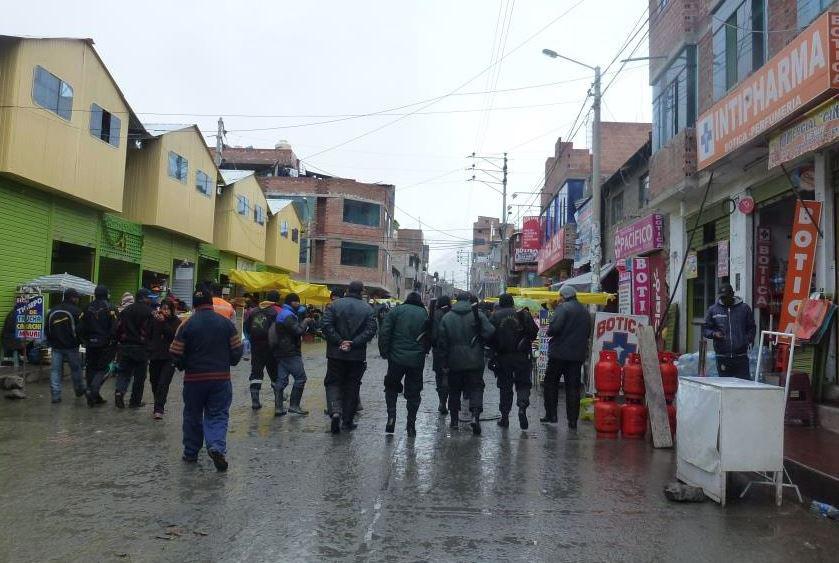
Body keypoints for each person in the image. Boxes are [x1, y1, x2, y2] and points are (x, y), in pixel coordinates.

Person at [169, 286, 243, 471]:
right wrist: (229, 361)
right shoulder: (226, 324)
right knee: (217, 414)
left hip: (194, 380)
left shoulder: (186, 324)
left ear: (194, 305)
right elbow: (237, 351)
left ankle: (191, 452)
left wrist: (183, 364)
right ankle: (216, 447)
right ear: (211, 303)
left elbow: (174, 352)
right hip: (220, 379)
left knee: (192, 415)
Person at [321, 280, 377, 434]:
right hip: (356, 356)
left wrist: (339, 341)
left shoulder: (334, 305)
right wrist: (353, 343)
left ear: (347, 290)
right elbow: (371, 330)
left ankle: (335, 411)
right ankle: (347, 421)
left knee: (333, 382)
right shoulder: (368, 309)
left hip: (335, 354)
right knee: (352, 385)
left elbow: (325, 325)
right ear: (362, 292)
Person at [437, 291, 495, 435]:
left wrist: (444, 361)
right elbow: (490, 332)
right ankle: (475, 416)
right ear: (469, 300)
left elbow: (442, 342)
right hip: (475, 361)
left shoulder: (447, 317)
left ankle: (455, 421)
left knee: (454, 390)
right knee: (476, 388)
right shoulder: (477, 315)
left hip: (454, 361)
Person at [379, 291, 429, 436]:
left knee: (391, 387)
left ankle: (391, 418)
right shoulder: (424, 313)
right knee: (414, 392)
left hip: (396, 359)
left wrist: (384, 352)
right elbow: (429, 335)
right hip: (417, 360)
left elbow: (385, 332)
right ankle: (411, 425)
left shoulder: (396, 311)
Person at [542, 285, 591, 429]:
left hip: (559, 354)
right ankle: (572, 421)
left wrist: (550, 330)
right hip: (577, 356)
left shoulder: (563, 308)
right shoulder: (584, 311)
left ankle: (552, 415)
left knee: (550, 384)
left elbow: (554, 329)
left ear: (564, 296)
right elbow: (587, 332)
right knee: (573, 388)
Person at [490, 293, 539, 430]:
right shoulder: (523, 314)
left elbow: (489, 335)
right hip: (522, 356)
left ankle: (505, 417)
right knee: (523, 384)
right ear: (512, 302)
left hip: (503, 357)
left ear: (500, 303)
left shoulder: (495, 316)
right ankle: (522, 407)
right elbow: (534, 332)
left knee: (505, 387)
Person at [269, 292, 313, 416]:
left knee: (281, 381)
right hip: (290, 352)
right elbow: (298, 331)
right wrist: (305, 322)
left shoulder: (283, 313)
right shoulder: (288, 315)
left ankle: (278, 408)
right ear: (291, 302)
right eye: (296, 301)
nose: (298, 304)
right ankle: (294, 406)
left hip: (281, 351)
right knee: (300, 378)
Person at [702, 283, 756, 379]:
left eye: (727, 297)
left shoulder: (744, 309)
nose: (724, 299)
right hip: (722, 356)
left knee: (744, 385)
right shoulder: (713, 310)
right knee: (725, 386)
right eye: (722, 297)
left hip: (741, 356)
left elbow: (751, 327)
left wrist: (746, 340)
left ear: (732, 294)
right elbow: (705, 329)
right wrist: (714, 334)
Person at [115, 288, 154, 409]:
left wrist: (120, 341)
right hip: (141, 348)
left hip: (125, 347)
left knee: (124, 373)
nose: (149, 300)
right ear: (143, 298)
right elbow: (151, 331)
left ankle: (119, 392)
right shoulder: (149, 312)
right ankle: (135, 401)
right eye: (148, 297)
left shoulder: (126, 311)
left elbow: (118, 328)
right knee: (139, 377)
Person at [80, 285, 118, 407]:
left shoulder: (86, 308)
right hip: (105, 344)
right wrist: (112, 340)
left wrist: (84, 339)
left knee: (90, 367)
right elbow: (115, 326)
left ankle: (94, 395)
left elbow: (79, 327)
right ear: (106, 294)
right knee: (103, 369)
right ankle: (93, 391)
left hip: (90, 343)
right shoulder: (111, 308)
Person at [244, 290, 282, 411]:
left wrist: (252, 341)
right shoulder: (277, 311)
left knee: (256, 372)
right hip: (272, 347)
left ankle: (255, 401)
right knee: (275, 374)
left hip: (256, 346)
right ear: (276, 300)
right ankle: (278, 405)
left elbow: (246, 328)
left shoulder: (253, 310)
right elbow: (281, 329)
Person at [45, 288, 84, 403]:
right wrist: (80, 341)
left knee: (55, 371)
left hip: (56, 347)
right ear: (73, 298)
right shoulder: (77, 311)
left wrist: (51, 342)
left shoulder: (53, 311)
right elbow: (81, 328)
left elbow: (47, 329)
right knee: (76, 369)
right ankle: (79, 390)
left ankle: (56, 396)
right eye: (76, 297)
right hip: (72, 346)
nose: (77, 299)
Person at [148, 298, 181, 419]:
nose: (165, 311)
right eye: (163, 308)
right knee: (154, 382)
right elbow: (148, 335)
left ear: (172, 310)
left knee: (163, 383)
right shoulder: (154, 320)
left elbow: (173, 336)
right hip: (155, 356)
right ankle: (158, 403)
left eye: (167, 309)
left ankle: (159, 409)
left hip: (169, 357)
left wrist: (163, 323)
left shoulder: (176, 321)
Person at [430, 295, 452, 415]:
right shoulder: (453, 313)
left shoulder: (436, 314)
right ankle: (448, 401)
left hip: (438, 351)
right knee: (451, 377)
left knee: (440, 376)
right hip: (453, 351)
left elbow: (433, 335)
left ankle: (442, 401)